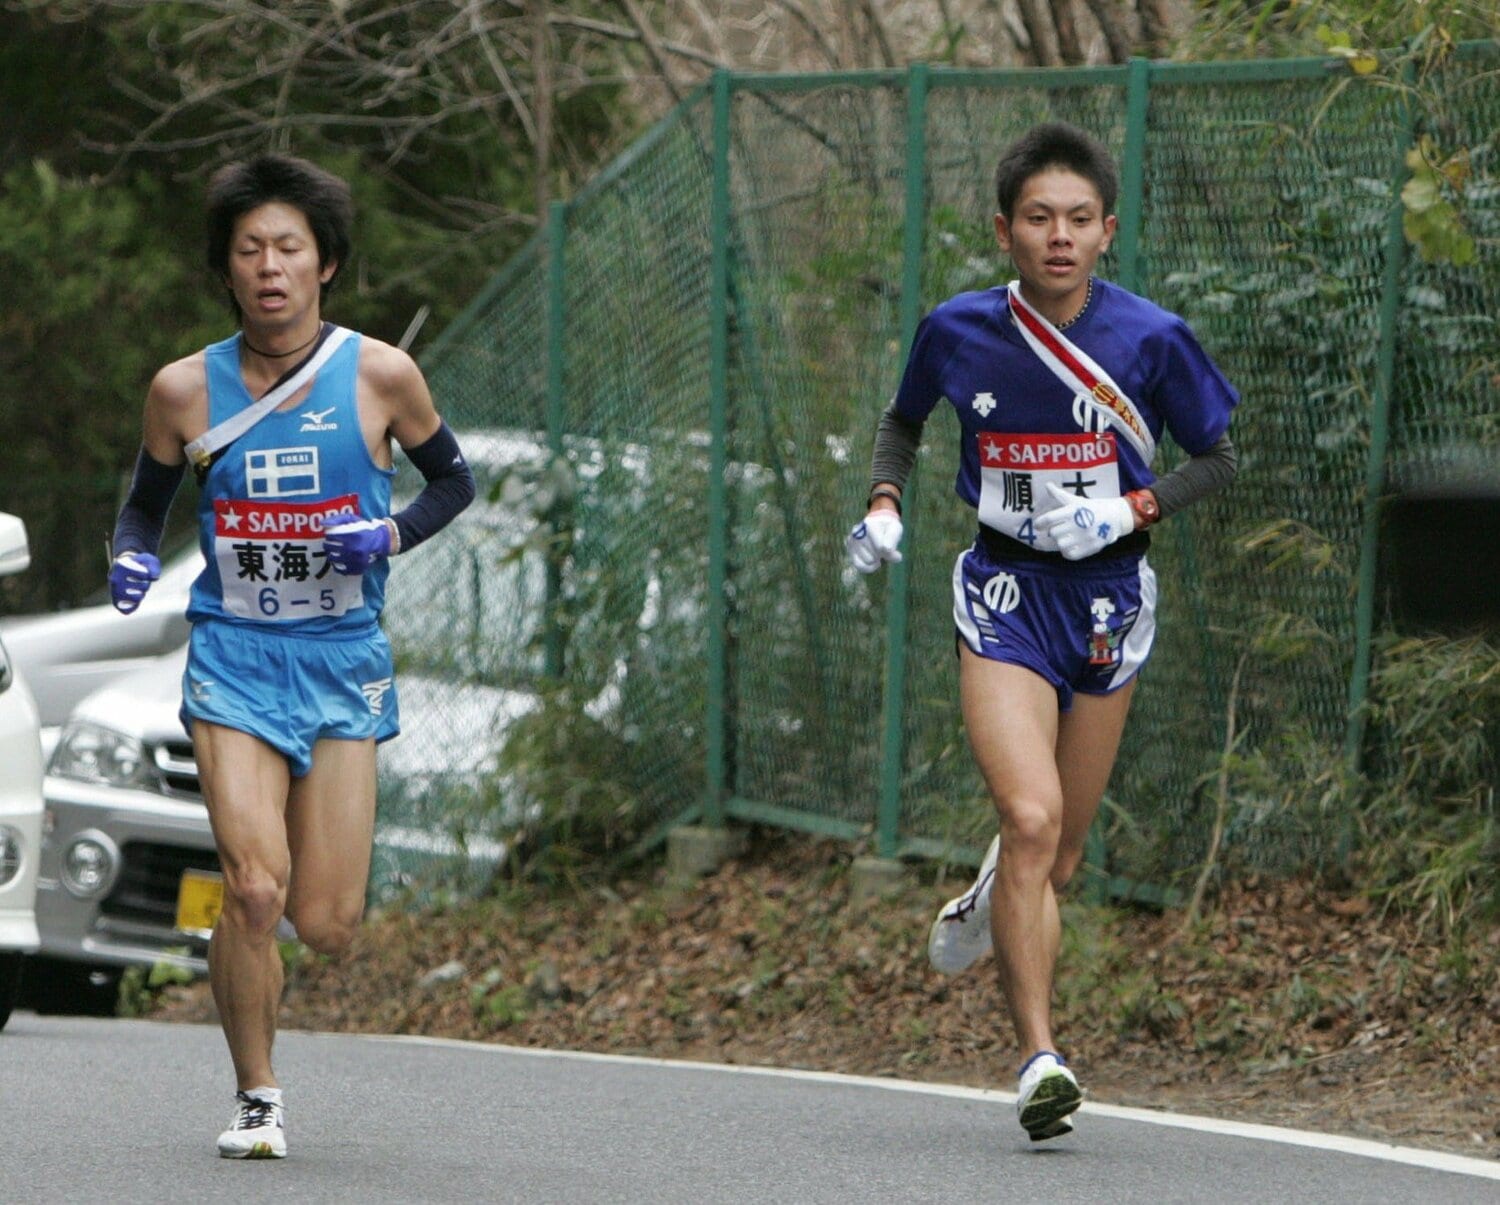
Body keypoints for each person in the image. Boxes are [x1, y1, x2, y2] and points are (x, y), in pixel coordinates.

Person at [846, 123, 1239, 1142]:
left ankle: (996, 892)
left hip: (1110, 602)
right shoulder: (958, 329)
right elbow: (905, 418)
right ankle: (1039, 1058)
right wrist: (886, 500)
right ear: (1004, 230)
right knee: (1030, 817)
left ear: (1106, 231)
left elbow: (1219, 460)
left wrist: (1134, 509)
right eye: (1037, 219)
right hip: (1006, 594)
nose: (1057, 237)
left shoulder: (1151, 337)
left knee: (1058, 857)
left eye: (1077, 219)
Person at [107, 153, 476, 1159]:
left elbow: (456, 482)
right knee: (254, 886)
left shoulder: (382, 374)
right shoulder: (184, 388)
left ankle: (261, 991)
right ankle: (257, 1093)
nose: (270, 267)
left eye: (289, 248)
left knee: (326, 920)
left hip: (342, 654)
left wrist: (391, 534)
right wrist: (134, 556)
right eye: (249, 250)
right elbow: (144, 507)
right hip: (233, 651)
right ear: (226, 272)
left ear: (326, 266)